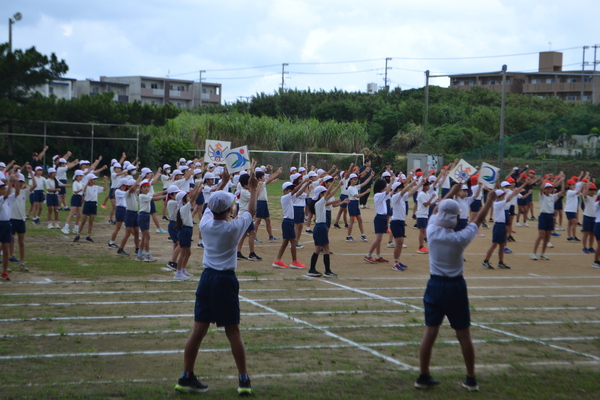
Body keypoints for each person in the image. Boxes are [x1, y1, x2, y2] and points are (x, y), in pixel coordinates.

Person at [175, 167, 257, 396]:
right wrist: (253, 189)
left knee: (198, 330)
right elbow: (251, 211)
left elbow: (212, 206)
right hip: (225, 280)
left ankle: (186, 376)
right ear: (230, 209)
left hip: (206, 278)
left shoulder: (205, 224)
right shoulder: (232, 228)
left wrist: (223, 183)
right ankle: (243, 379)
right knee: (233, 331)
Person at [414, 188, 496, 392]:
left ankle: (423, 376)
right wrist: (489, 201)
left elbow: (437, 210)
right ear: (457, 217)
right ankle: (471, 379)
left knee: (430, 332)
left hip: (434, 284)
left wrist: (452, 191)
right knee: (463, 334)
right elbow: (478, 220)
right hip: (455, 286)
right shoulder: (460, 238)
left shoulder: (432, 230)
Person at [481, 181, 527, 269]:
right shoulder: (497, 203)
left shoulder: (499, 203)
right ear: (498, 198)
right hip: (498, 226)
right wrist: (514, 192)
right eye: (502, 196)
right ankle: (485, 261)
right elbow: (508, 199)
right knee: (494, 245)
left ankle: (500, 262)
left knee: (502, 245)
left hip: (501, 225)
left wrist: (515, 192)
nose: (503, 197)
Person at [272, 179, 311, 269]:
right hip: (287, 222)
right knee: (293, 242)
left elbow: (298, 193)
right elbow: (295, 191)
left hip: (289, 222)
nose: (291, 190)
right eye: (289, 189)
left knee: (285, 242)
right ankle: (294, 262)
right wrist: (303, 182)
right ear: (285, 190)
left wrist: (305, 185)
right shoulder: (285, 197)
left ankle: (278, 260)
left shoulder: (289, 197)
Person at [531, 174, 566, 260]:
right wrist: (546, 179)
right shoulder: (542, 196)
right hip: (543, 216)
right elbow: (541, 188)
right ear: (544, 189)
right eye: (547, 189)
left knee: (547, 237)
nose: (549, 190)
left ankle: (543, 253)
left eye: (550, 189)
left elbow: (562, 191)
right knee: (541, 235)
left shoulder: (553, 197)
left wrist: (562, 180)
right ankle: (534, 253)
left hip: (550, 216)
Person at [73, 174, 108, 243]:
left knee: (91, 221)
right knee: (83, 220)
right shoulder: (86, 187)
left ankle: (88, 235)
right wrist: (87, 182)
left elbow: (105, 189)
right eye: (93, 180)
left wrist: (105, 181)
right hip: (87, 203)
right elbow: (84, 189)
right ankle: (78, 234)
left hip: (94, 204)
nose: (95, 181)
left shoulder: (96, 187)